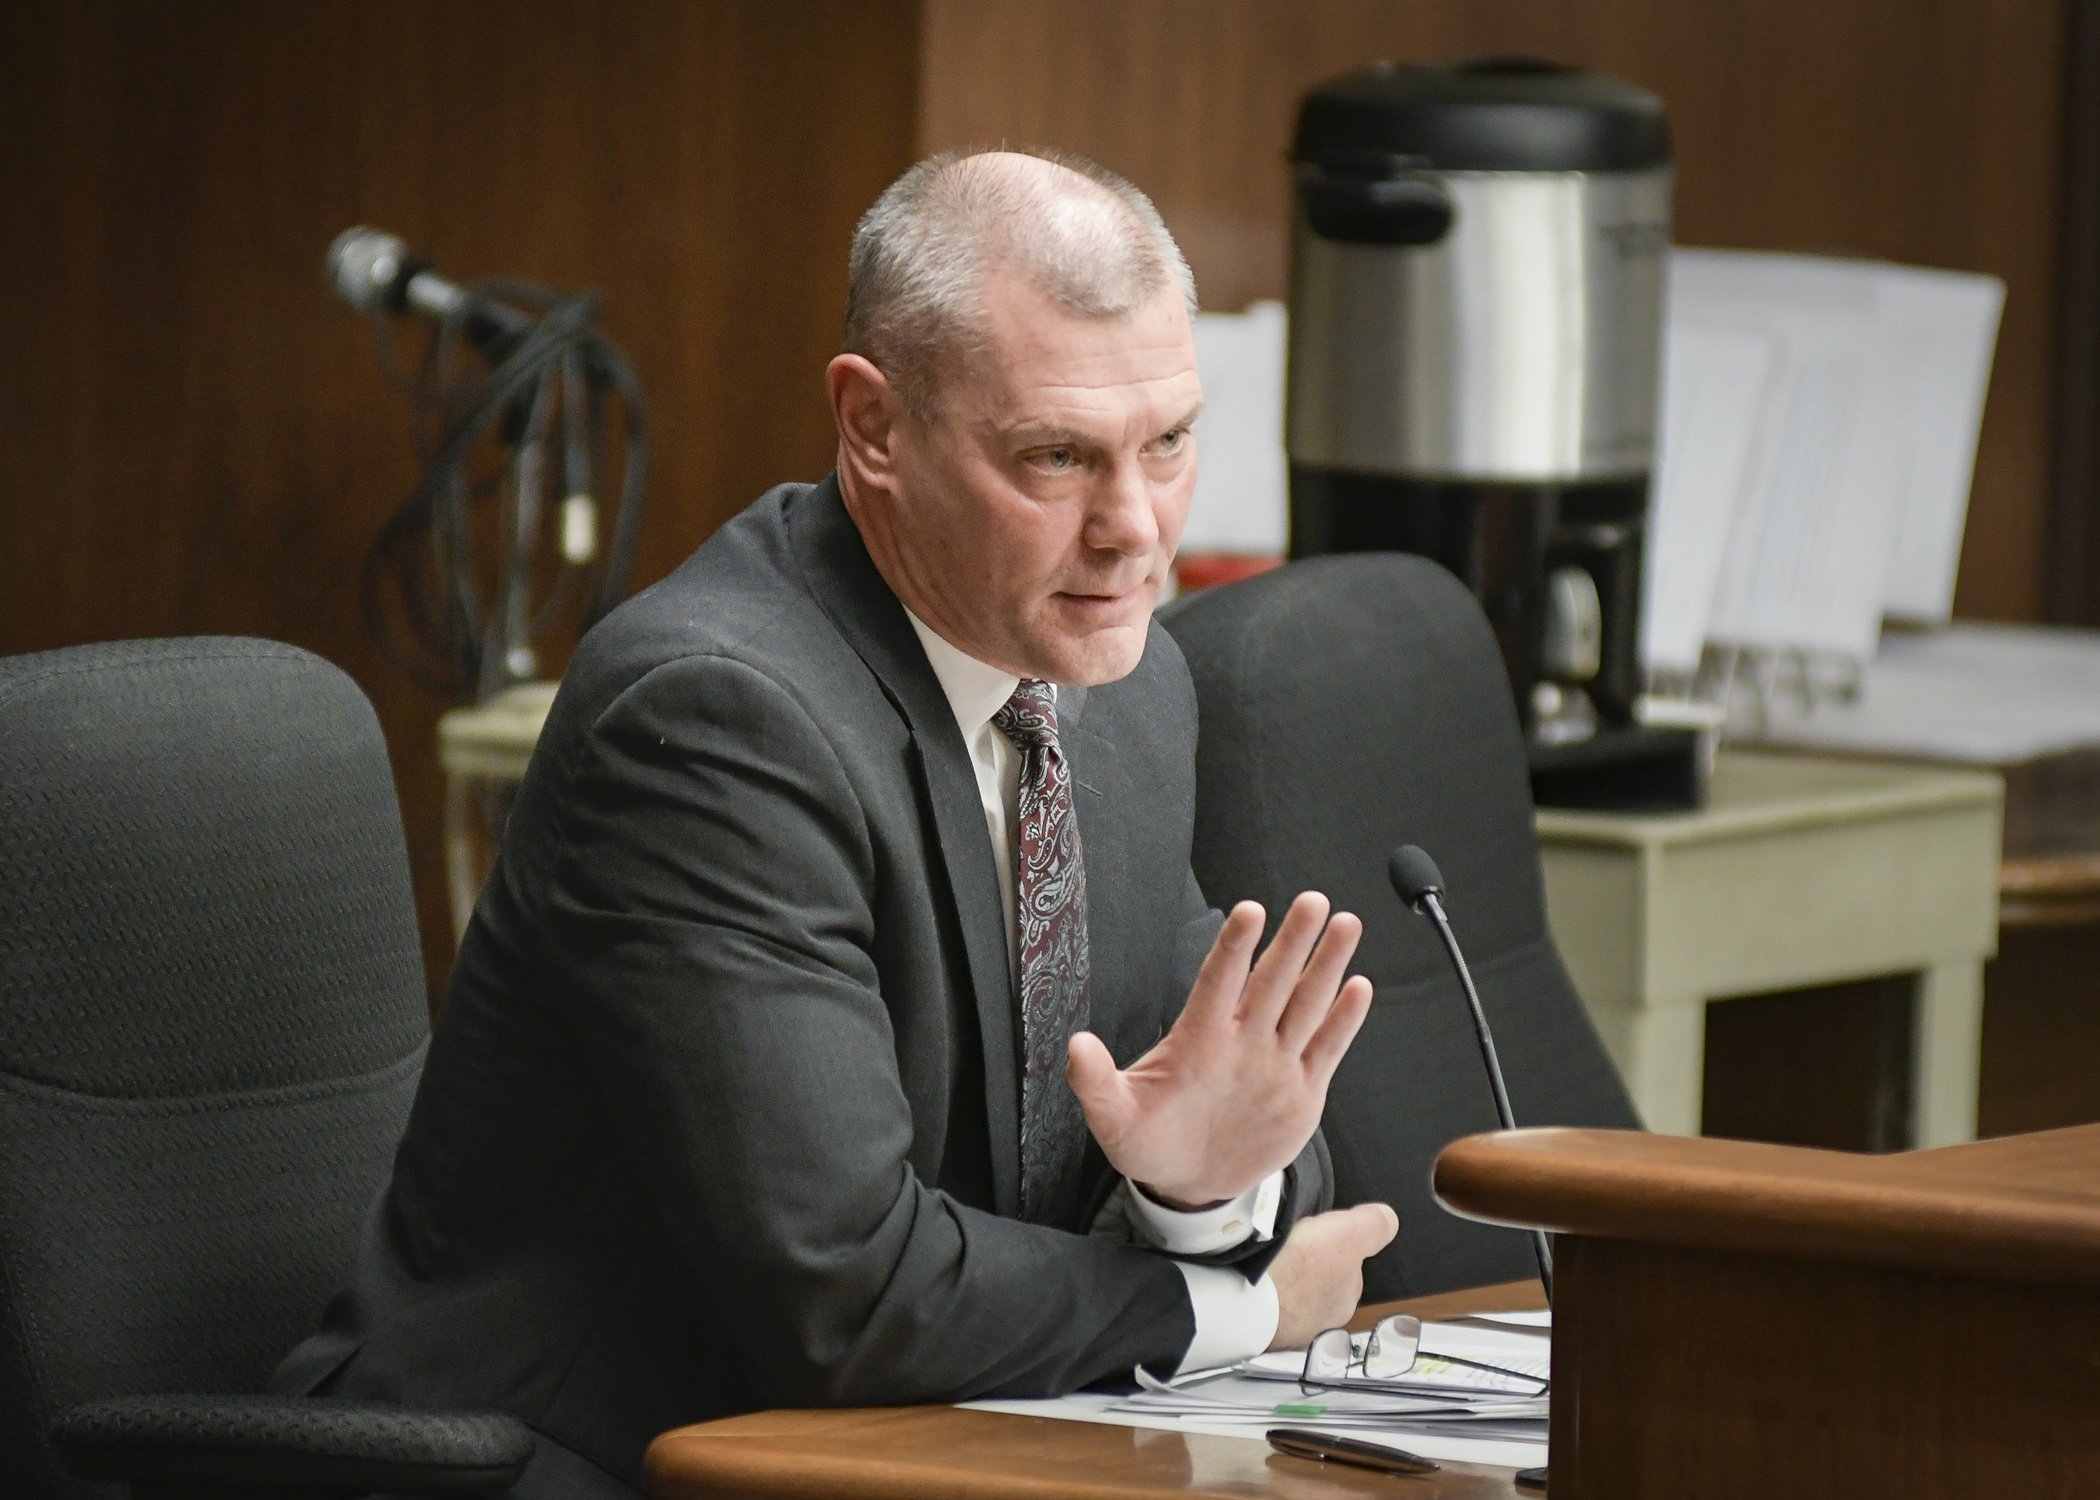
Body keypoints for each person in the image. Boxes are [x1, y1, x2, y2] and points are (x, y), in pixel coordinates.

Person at [275, 146, 1398, 1498]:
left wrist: (1197, 1193)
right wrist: (1233, 1313)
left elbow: (1215, 1099)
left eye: (1168, 442)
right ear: (873, 428)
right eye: (1055, 457)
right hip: (577, 1464)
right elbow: (849, 1297)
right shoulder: (715, 722)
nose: (1134, 530)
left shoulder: (1128, 681)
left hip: (928, 1449)